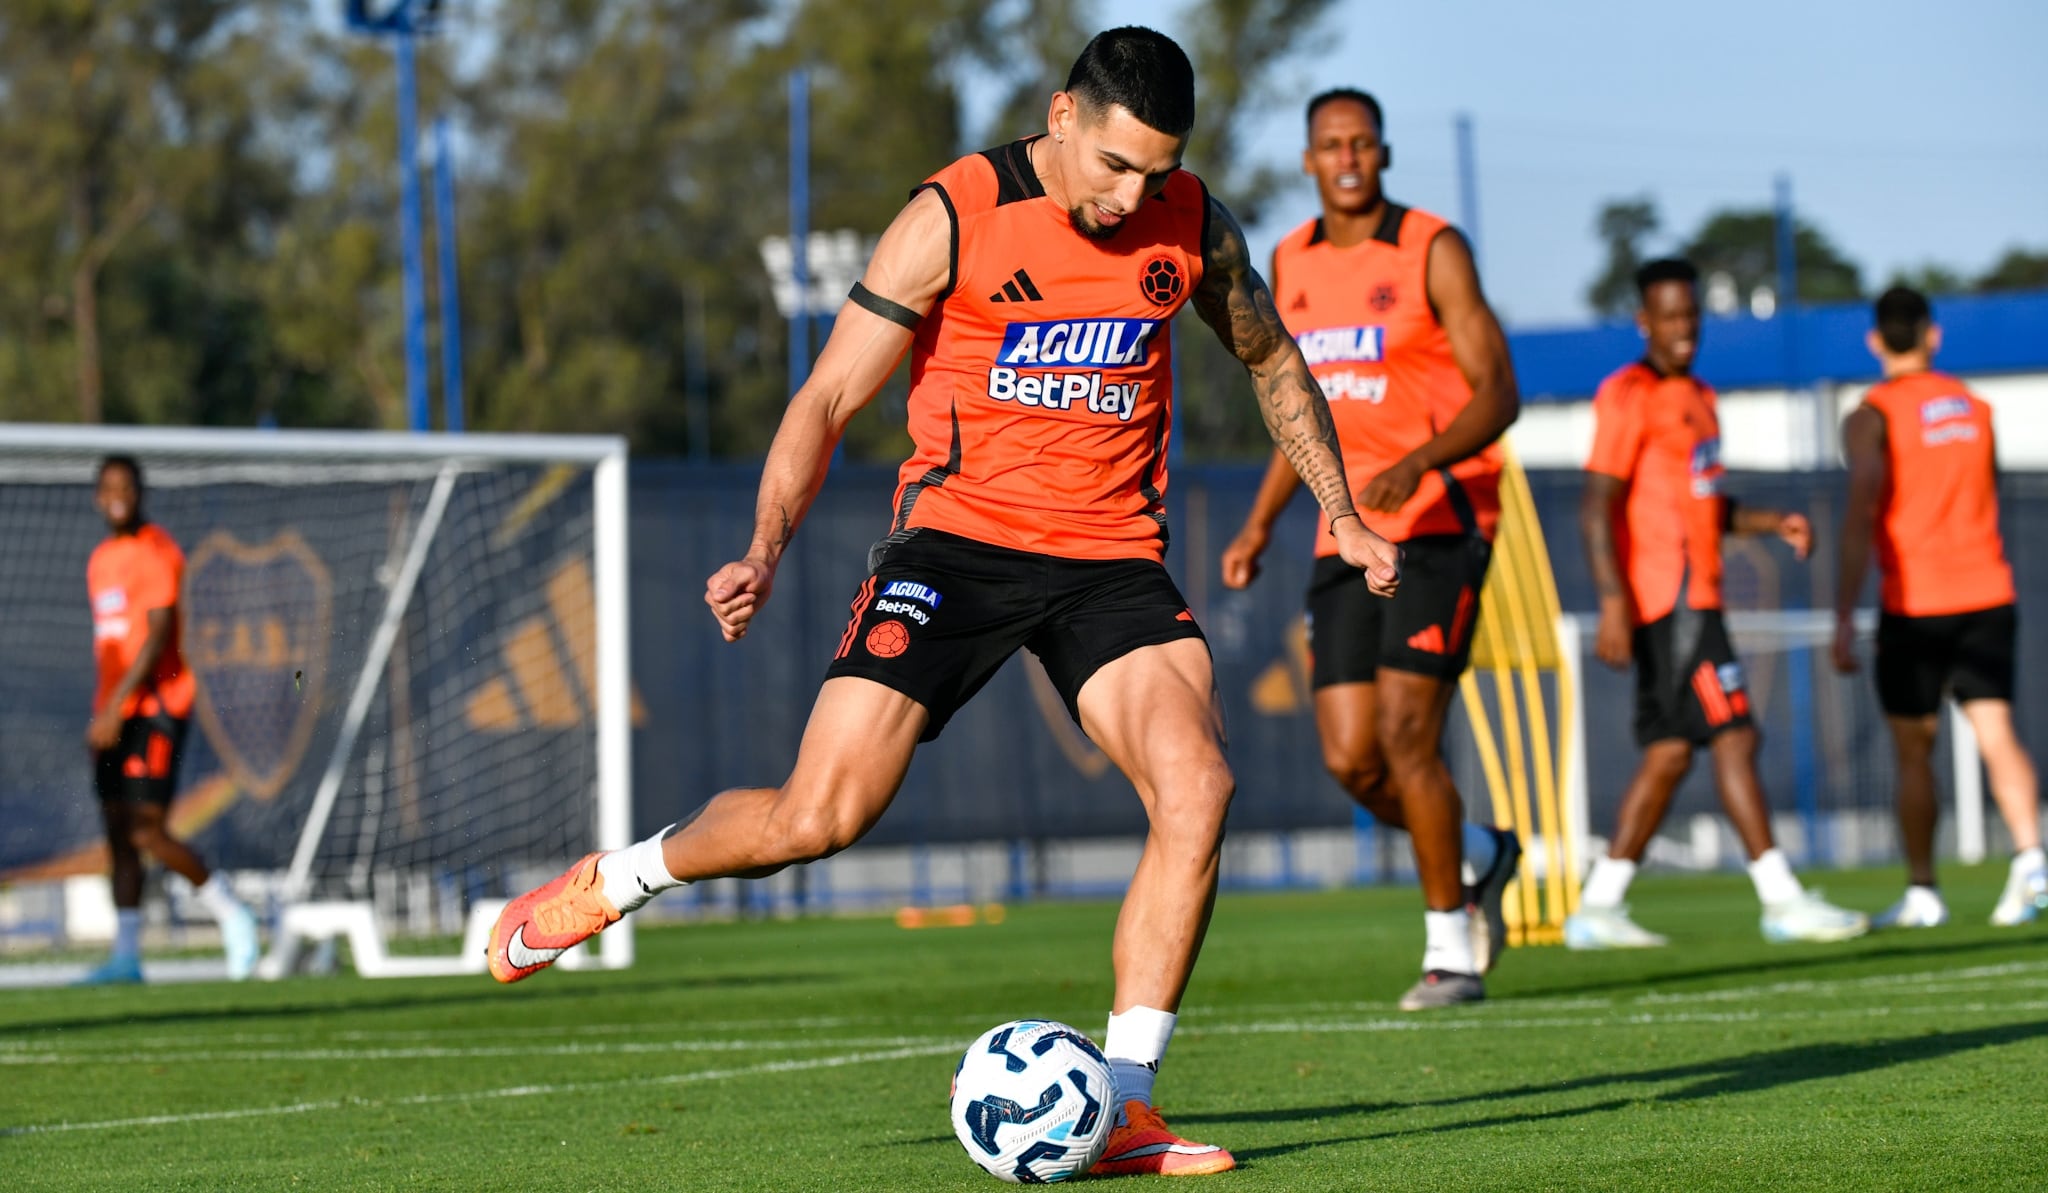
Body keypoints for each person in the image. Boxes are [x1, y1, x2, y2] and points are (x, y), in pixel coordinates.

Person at [488, 28, 1400, 1178]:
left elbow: (1271, 361)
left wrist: (1345, 513)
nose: (1133, 196)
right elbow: (825, 396)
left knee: (1198, 785)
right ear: (1061, 116)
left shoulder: (1190, 221)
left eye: (1156, 172)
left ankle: (1122, 1105)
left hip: (1110, 558)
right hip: (954, 547)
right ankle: (614, 878)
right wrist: (764, 547)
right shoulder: (955, 214)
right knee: (816, 818)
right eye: (1115, 166)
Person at [1217, 88, 1522, 1010]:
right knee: (1352, 758)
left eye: (1361, 143)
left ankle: (1450, 948)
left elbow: (1498, 392)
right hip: (1341, 532)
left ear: (1382, 153)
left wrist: (1420, 461)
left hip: (1438, 522)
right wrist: (1263, 522)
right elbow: (1298, 408)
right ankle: (1481, 851)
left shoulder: (1431, 247)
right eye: (1329, 145)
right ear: (1309, 161)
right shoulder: (1290, 260)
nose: (1347, 157)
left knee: (1405, 733)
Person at [1563, 259, 1867, 949]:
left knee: (1672, 752)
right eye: (1668, 317)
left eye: (1690, 316)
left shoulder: (1701, 395)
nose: (1682, 329)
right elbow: (1595, 506)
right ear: (1644, 322)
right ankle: (1782, 897)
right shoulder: (1628, 393)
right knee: (1735, 734)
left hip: (1699, 596)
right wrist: (1612, 602)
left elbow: (1701, 502)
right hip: (1668, 602)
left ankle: (1598, 906)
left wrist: (1769, 522)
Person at [1833, 286, 2047, 928]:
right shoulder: (1976, 408)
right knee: (1996, 730)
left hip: (1916, 601)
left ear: (1875, 341)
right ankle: (2032, 859)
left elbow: (1863, 508)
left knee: (1913, 751)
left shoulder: (1871, 414)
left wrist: (1844, 611)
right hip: (1987, 591)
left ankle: (1924, 891)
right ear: (1933, 334)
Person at [79, 455, 260, 985]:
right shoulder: (99, 560)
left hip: (155, 709)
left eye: (126, 487)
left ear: (140, 493)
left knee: (147, 831)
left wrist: (117, 707)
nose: (117, 496)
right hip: (112, 715)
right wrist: (104, 711)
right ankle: (127, 956)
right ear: (97, 496)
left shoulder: (158, 552)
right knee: (117, 834)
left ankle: (232, 913)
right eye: (108, 487)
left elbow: (157, 635)